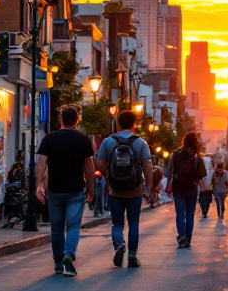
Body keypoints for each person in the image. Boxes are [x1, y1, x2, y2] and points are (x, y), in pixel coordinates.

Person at [36, 105, 96, 277]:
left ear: (61, 118)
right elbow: (89, 167)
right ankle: (69, 254)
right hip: (76, 190)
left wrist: (38, 185)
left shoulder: (49, 138)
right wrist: (91, 189)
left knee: (56, 229)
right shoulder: (83, 139)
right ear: (77, 120)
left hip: (54, 190)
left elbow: (41, 163)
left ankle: (57, 262)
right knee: (73, 226)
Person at [96, 110, 155, 268]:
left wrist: (108, 175)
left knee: (117, 223)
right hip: (135, 190)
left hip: (115, 189)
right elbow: (147, 165)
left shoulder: (108, 142)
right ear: (134, 125)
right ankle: (132, 255)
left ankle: (119, 244)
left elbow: (99, 162)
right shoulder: (140, 143)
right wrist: (148, 187)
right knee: (134, 222)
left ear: (118, 123)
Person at [168, 132, 208, 248]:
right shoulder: (197, 156)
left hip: (178, 188)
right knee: (190, 215)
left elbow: (170, 169)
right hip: (191, 189)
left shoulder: (176, 153)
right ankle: (188, 238)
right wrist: (203, 187)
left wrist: (168, 185)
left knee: (180, 214)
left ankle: (181, 236)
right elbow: (201, 175)